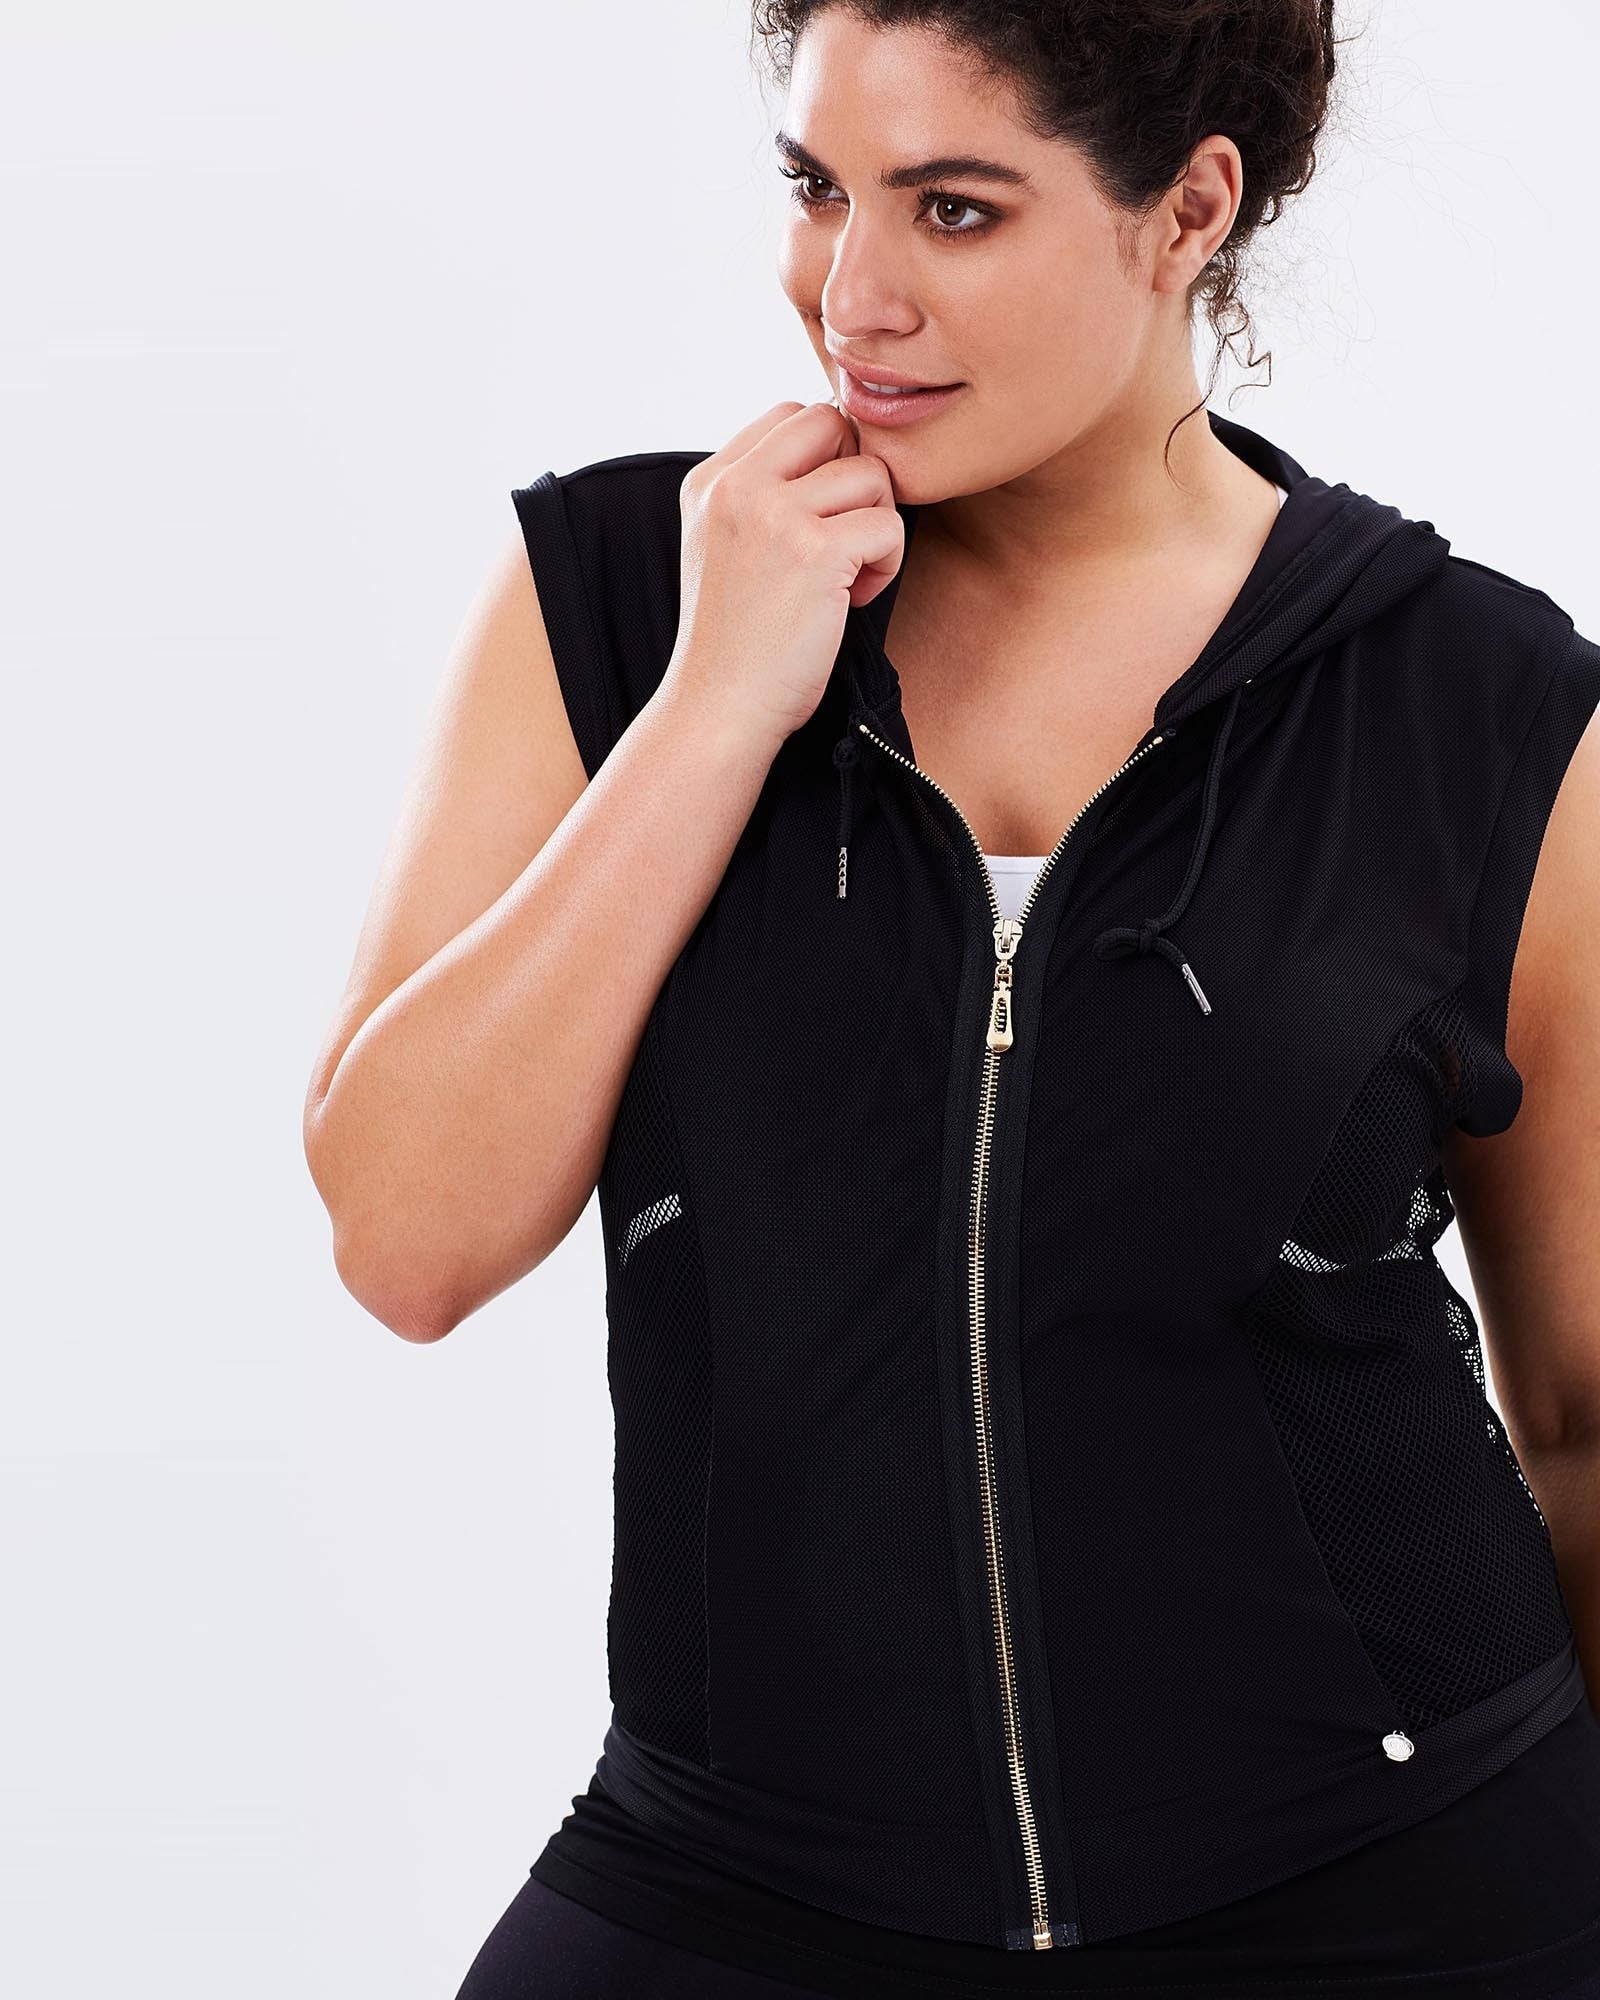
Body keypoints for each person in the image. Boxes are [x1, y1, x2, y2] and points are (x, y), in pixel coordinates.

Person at [303, 3, 1600, 1995]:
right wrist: (717, 703)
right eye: (818, 188)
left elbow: (1581, 1414)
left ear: (1188, 209)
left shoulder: (1481, 708)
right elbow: (407, 1240)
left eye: (955, 209)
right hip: (737, 1878)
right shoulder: (621, 598)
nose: (852, 295)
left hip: (1394, 1891)